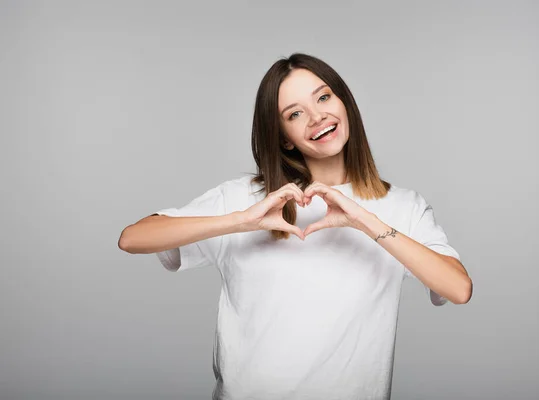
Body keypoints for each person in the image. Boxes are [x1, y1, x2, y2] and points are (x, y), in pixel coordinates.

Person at [118, 53, 472, 400]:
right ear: (284, 136)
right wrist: (241, 220)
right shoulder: (247, 197)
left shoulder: (402, 206)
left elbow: (458, 288)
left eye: (323, 97)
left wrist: (365, 221)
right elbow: (133, 238)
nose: (317, 117)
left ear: (344, 102)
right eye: (295, 113)